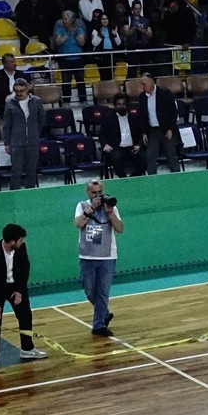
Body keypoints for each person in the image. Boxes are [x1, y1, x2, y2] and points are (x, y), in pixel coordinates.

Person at [0, 223, 48, 371]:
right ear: (12, 242)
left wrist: (19, 291)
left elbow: (25, 269)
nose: (22, 242)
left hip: (15, 287)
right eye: (20, 240)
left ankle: (27, 349)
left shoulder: (21, 248)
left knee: (25, 316)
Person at [75, 180, 125, 337]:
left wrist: (110, 213)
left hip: (107, 255)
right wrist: (91, 209)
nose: (97, 195)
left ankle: (98, 325)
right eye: (93, 192)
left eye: (99, 192)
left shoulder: (111, 207)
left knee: (103, 291)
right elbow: (78, 223)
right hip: (87, 255)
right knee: (90, 291)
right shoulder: (82, 206)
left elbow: (120, 228)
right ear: (88, 193)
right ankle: (104, 313)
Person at [1, 78, 46, 190]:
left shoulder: (36, 101)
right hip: (16, 142)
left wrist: (35, 132)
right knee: (16, 172)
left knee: (31, 172)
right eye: (16, 91)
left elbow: (41, 119)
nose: (19, 93)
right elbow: (6, 125)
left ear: (27, 89)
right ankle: (14, 198)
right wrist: (6, 143)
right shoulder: (10, 103)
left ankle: (30, 197)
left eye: (21, 91)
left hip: (33, 141)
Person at [137, 73, 180, 174]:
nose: (142, 86)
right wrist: (144, 132)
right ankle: (153, 181)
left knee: (171, 156)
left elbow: (173, 112)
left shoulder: (165, 93)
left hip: (166, 130)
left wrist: (171, 129)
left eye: (144, 84)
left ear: (151, 83)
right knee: (150, 156)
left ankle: (178, 179)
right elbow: (142, 116)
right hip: (152, 131)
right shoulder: (142, 97)